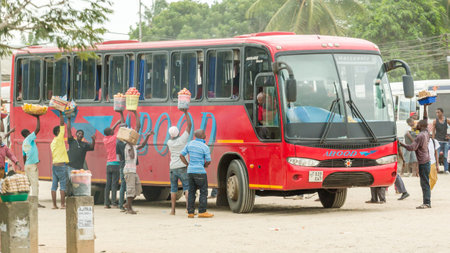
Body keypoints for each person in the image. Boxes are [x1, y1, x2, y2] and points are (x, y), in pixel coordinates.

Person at [123, 111, 153, 214]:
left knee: (137, 190)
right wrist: (130, 144)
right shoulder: (128, 147)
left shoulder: (133, 145)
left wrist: (147, 136)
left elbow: (142, 145)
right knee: (131, 190)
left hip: (133, 171)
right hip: (129, 171)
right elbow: (131, 156)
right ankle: (129, 208)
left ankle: (127, 204)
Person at [180, 129, 214, 218]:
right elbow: (209, 161)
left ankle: (190, 212)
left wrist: (187, 164)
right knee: (203, 191)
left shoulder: (190, 144)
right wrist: (204, 165)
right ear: (202, 135)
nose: (205, 135)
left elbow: (181, 155)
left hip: (190, 171)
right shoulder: (204, 146)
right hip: (200, 172)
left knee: (191, 191)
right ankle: (202, 211)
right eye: (204, 133)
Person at [400, 120, 431, 209]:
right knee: (426, 182)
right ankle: (427, 202)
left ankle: (426, 203)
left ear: (421, 125)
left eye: (418, 124)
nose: (416, 125)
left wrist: (401, 144)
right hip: (427, 160)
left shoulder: (420, 136)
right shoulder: (426, 133)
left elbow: (411, 148)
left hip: (423, 162)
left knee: (424, 183)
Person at [167, 108, 192, 215]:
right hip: (182, 166)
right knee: (187, 187)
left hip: (172, 168)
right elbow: (189, 126)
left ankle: (173, 210)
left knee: (173, 189)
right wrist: (186, 112)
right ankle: (187, 208)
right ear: (178, 133)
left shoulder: (169, 142)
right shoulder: (182, 140)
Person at [66, 115, 95, 195]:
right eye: (79, 133)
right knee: (70, 181)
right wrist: (69, 119)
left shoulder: (84, 145)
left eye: (82, 134)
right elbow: (68, 129)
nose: (80, 135)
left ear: (83, 136)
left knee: (77, 183)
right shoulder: (72, 141)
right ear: (76, 134)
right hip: (70, 166)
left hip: (79, 168)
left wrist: (93, 140)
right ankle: (69, 195)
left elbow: (92, 147)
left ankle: (75, 195)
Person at [21, 115, 45, 207]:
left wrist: (26, 165)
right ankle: (35, 203)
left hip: (27, 165)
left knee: (28, 184)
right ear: (28, 133)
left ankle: (26, 200)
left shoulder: (24, 142)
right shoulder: (29, 138)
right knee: (35, 184)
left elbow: (24, 155)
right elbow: (38, 129)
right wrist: (38, 117)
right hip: (31, 166)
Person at [103, 110, 125, 208]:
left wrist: (115, 123)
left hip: (108, 164)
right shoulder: (114, 138)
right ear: (111, 133)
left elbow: (109, 131)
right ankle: (113, 203)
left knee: (108, 185)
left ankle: (106, 203)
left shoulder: (105, 139)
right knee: (114, 184)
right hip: (116, 164)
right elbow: (122, 129)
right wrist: (118, 122)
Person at [50, 112, 69, 209]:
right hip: (61, 166)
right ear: (58, 132)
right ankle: (62, 204)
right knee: (62, 186)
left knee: (54, 186)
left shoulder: (52, 142)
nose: (63, 132)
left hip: (54, 165)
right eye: (61, 131)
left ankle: (54, 205)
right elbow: (62, 124)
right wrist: (61, 112)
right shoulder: (59, 139)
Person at [432, 108, 450, 174]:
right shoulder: (435, 121)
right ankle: (437, 169)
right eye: (436, 112)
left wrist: (449, 136)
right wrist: (433, 140)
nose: (437, 114)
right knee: (437, 156)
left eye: (438, 112)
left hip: (445, 141)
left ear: (442, 113)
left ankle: (446, 169)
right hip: (438, 140)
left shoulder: (447, 120)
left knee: (445, 156)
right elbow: (433, 131)